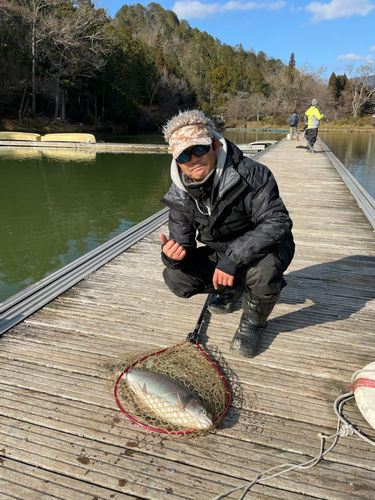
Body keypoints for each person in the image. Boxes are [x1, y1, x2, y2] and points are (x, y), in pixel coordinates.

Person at [159, 110, 295, 358]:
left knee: (262, 271)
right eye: (184, 155)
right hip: (222, 252)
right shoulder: (179, 193)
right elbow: (183, 244)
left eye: (199, 149)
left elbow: (278, 222)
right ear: (177, 160)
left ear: (213, 144)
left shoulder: (252, 173)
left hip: (267, 248)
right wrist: (173, 256)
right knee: (175, 277)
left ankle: (254, 322)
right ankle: (230, 289)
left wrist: (233, 259)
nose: (193, 159)